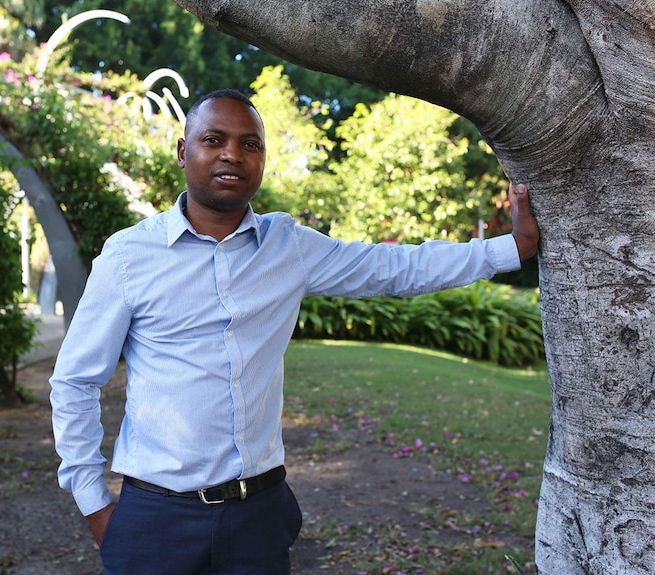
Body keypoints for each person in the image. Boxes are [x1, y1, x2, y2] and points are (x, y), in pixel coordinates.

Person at [49, 89, 540, 575]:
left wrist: (510, 249)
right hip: (156, 522)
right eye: (213, 139)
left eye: (250, 144)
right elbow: (75, 382)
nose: (232, 154)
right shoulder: (129, 257)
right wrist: (95, 506)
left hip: (258, 518)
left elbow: (393, 267)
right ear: (183, 151)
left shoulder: (288, 247)